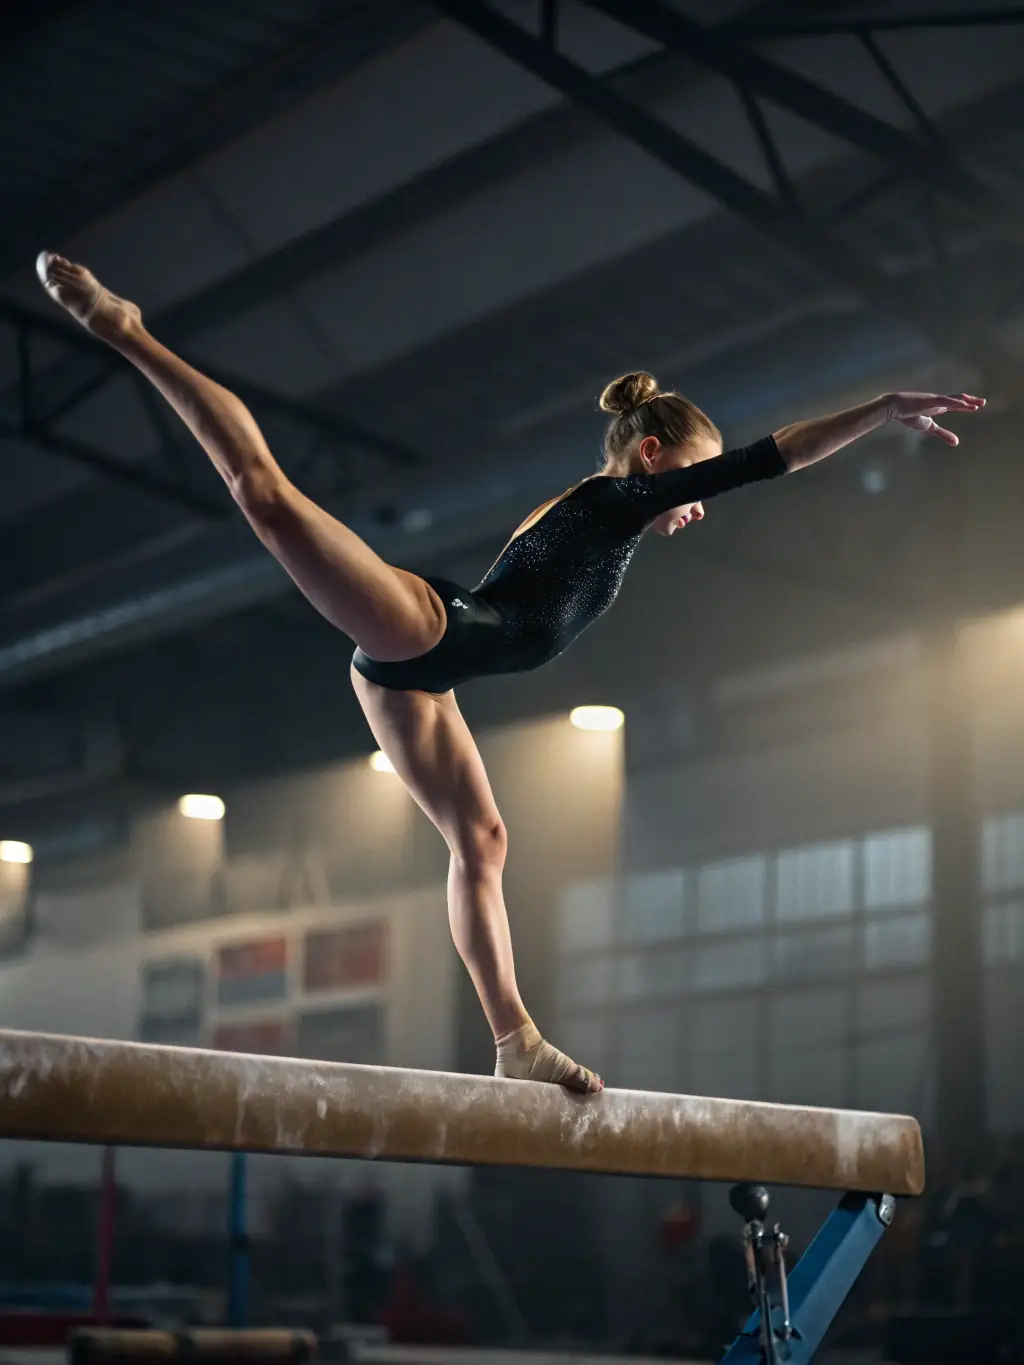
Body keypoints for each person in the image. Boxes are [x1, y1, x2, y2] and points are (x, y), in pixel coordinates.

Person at [35, 252, 985, 1094]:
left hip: (424, 676)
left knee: (482, 840)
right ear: (653, 458)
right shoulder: (616, 500)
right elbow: (770, 459)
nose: (696, 503)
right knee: (268, 498)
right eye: (685, 480)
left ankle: (513, 1040)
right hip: (429, 631)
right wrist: (882, 410)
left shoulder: (602, 512)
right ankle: (128, 331)